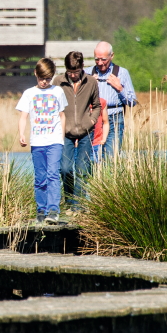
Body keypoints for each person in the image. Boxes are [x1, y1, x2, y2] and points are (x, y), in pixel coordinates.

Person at [17, 58, 67, 224]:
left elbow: (62, 115)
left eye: (47, 78)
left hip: (54, 140)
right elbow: (23, 116)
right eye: (41, 78)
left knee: (53, 174)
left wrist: (61, 137)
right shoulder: (29, 93)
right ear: (35, 74)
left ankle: (53, 210)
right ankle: (41, 209)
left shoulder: (58, 91)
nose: (44, 82)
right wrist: (21, 133)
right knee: (40, 177)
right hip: (37, 141)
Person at [52, 51, 99, 210]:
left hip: (86, 131)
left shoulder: (91, 82)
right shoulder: (58, 81)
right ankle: (69, 201)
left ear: (82, 68)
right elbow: (53, 105)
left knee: (82, 169)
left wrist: (91, 120)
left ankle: (78, 206)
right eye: (70, 72)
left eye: (76, 72)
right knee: (65, 169)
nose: (72, 75)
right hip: (65, 132)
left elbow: (97, 105)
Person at [86, 41, 137, 155]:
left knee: (110, 157)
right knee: (90, 158)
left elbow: (132, 101)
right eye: (97, 59)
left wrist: (120, 88)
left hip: (114, 118)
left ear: (111, 56)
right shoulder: (87, 73)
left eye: (104, 59)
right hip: (93, 119)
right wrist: (89, 85)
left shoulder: (122, 73)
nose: (100, 63)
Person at [92, 97, 109, 162]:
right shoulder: (79, 101)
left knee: (96, 165)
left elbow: (105, 122)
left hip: (97, 142)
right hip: (80, 143)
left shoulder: (101, 102)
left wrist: (104, 138)